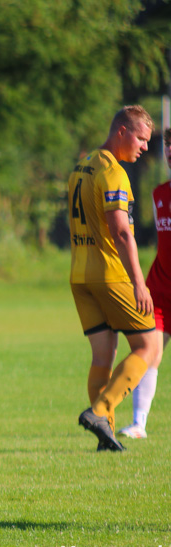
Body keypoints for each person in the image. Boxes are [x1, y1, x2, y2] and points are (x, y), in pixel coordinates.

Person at [68, 105, 158, 452]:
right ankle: (101, 411)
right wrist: (138, 281)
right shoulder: (114, 173)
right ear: (121, 131)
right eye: (140, 138)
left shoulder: (82, 165)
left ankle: (105, 435)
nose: (145, 147)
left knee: (103, 356)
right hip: (109, 274)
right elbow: (121, 233)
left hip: (79, 274)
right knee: (148, 347)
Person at [118, 127, 171, 439]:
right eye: (167, 146)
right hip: (160, 289)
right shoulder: (159, 193)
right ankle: (139, 424)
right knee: (150, 351)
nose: (169, 152)